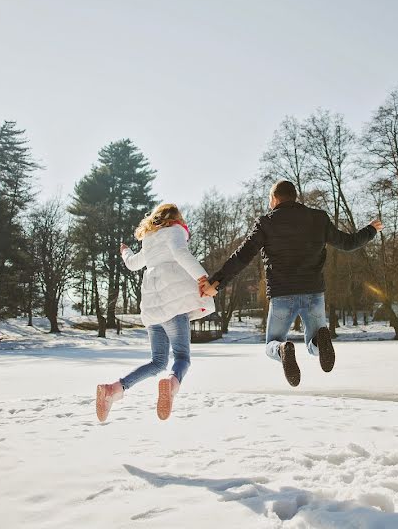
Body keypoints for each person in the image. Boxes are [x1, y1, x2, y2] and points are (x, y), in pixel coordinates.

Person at [199, 180, 381, 387]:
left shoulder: (266, 223)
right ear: (294, 196)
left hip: (282, 294)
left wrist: (216, 282)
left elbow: (242, 256)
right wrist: (370, 230)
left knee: (272, 343)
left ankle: (282, 349)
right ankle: (320, 341)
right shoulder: (318, 219)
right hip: (313, 293)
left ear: (275, 199)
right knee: (314, 346)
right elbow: (348, 243)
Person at [95, 203, 214, 422]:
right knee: (182, 357)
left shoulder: (149, 240)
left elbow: (132, 264)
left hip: (152, 310)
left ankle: (113, 389)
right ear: (175, 218)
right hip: (173, 307)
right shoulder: (175, 230)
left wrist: (125, 251)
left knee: (158, 361)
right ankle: (172, 383)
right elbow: (180, 254)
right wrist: (204, 279)